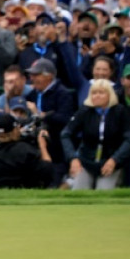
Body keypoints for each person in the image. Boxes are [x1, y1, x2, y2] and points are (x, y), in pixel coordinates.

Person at [61, 79, 130, 190]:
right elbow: (66, 134)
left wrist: (115, 159)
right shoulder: (85, 111)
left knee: (103, 192)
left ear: (109, 95)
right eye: (94, 93)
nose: (97, 96)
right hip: (86, 162)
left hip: (110, 163)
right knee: (79, 193)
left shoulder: (120, 112)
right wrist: (73, 158)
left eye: (101, 93)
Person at [25, 58, 77, 187]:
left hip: (56, 152)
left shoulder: (62, 94)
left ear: (49, 76)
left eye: (36, 75)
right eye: (31, 75)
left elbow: (65, 119)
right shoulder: (33, 94)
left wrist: (42, 115)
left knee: (52, 185)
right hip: (35, 150)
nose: (32, 78)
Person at [0, 111, 54, 188]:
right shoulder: (23, 150)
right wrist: (42, 146)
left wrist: (16, 134)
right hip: (24, 188)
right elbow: (48, 170)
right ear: (13, 131)